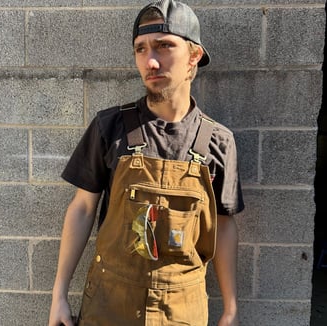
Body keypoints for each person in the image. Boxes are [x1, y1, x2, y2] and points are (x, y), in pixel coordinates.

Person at [49, 0, 244, 325]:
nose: (150, 61)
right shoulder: (109, 128)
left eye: (164, 46)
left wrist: (231, 308)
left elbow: (223, 225)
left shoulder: (218, 142)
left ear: (194, 56)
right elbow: (82, 209)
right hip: (109, 306)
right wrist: (58, 295)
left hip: (182, 312)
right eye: (141, 49)